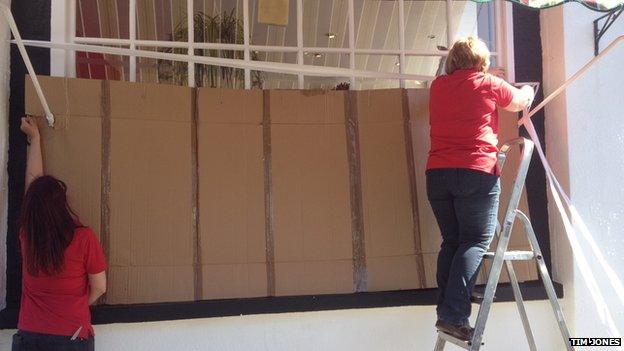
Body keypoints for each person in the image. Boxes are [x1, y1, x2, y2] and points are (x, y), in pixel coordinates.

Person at [427, 37, 534, 341]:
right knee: (474, 241)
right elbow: (518, 102)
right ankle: (454, 315)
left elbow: (462, 89)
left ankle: (447, 311)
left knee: (452, 241)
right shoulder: (487, 84)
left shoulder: (438, 86)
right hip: (476, 172)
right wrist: (526, 90)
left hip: (437, 174)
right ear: (481, 62)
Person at [12, 116, 107, 351]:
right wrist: (75, 305)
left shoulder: (28, 236)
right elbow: (100, 287)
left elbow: (33, 191)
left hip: (30, 335)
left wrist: (35, 139)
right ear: (61, 204)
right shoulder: (83, 238)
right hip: (71, 336)